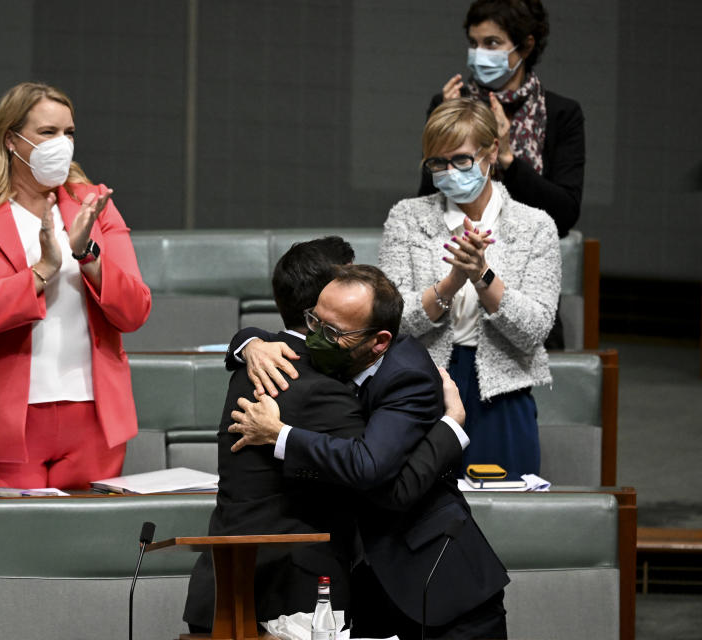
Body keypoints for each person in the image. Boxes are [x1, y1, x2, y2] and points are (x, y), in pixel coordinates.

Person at [183, 239, 469, 634]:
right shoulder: (319, 387)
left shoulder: (256, 362)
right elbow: (388, 484)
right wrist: (452, 425)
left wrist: (246, 343)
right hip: (290, 596)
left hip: (228, 588)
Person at [229, 265, 509, 639]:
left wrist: (281, 435)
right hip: (371, 588)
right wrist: (250, 345)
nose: (316, 338)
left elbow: (370, 468)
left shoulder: (406, 375)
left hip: (442, 588)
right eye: (315, 320)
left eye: (331, 332)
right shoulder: (339, 352)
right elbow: (277, 337)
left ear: (378, 341)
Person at [0, 82, 151, 490]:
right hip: (2, 423)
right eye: (48, 133)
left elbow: (135, 310)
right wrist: (42, 269)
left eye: (69, 133)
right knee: (10, 547)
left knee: (88, 548)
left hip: (93, 419)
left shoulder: (94, 204)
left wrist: (87, 254)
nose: (62, 144)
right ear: (10, 140)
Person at [383, 97, 560, 479]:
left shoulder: (535, 226)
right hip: (423, 386)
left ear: (492, 150)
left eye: (461, 160)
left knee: (501, 518)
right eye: (437, 163)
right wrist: (451, 283)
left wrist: (483, 276)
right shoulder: (406, 218)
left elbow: (534, 331)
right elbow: (391, 321)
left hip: (502, 390)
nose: (449, 172)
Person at [421, 0, 585, 241]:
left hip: (529, 250)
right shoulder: (448, 102)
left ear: (526, 46)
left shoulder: (562, 113)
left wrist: (508, 159)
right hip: (455, 243)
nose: (479, 54)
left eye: (492, 43)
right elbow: (426, 202)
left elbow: (565, 214)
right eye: (474, 44)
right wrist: (446, 127)